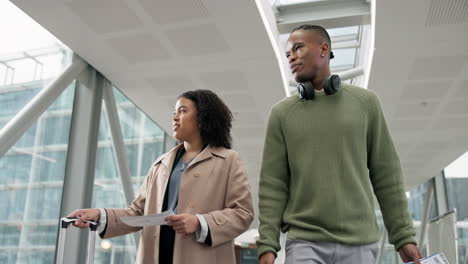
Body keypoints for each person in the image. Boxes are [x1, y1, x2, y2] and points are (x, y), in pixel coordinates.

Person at [257, 25, 423, 264]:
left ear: (324, 48)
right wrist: (267, 245)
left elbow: (386, 173)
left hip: (360, 243)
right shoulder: (281, 114)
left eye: (298, 48)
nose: (291, 56)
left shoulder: (366, 103)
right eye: (287, 54)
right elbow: (273, 184)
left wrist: (403, 236)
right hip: (304, 242)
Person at [69, 90, 254, 264]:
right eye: (174, 112)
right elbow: (137, 213)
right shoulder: (161, 164)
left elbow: (242, 213)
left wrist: (199, 222)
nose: (174, 117)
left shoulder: (228, 160)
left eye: (182, 111)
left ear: (202, 117)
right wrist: (99, 215)